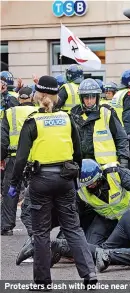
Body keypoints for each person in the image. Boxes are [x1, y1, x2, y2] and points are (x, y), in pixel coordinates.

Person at [8, 75, 97, 287]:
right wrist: (74, 180)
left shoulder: (32, 122)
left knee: (40, 233)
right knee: (74, 228)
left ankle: (42, 282)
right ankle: (89, 275)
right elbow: (78, 153)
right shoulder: (67, 119)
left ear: (38, 96)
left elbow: (20, 158)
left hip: (41, 181)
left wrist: (14, 184)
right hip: (65, 179)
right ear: (57, 97)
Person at [1, 87, 37, 236]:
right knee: (36, 192)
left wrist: (1, 157)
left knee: (10, 190)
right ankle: (36, 225)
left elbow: (3, 139)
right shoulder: (39, 112)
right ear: (31, 98)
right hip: (34, 158)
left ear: (19, 98)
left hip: (15, 159)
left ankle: (6, 226)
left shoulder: (9, 113)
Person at [70, 78, 130, 168]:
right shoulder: (74, 114)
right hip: (81, 165)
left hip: (106, 166)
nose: (89, 101)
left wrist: (123, 160)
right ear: (81, 98)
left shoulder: (107, 112)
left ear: (97, 97)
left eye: (92, 97)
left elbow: (121, 137)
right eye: (86, 97)